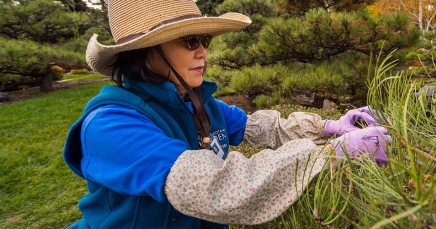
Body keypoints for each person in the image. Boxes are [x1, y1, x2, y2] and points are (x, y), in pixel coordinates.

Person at [62, 1, 392, 229]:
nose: (203, 51)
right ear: (143, 52)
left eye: (203, 39)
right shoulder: (110, 126)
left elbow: (261, 127)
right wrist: (329, 155)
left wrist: (328, 126)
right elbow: (212, 186)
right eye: (190, 40)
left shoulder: (198, 103)